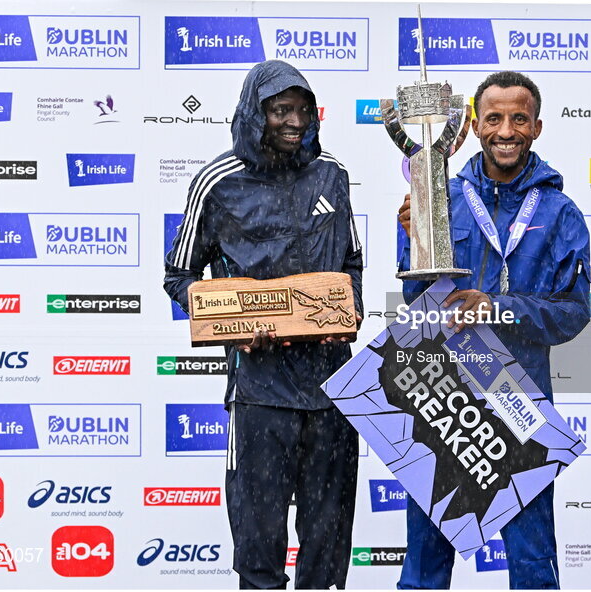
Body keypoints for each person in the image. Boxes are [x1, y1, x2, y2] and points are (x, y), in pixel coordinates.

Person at [163, 60, 363, 590]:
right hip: (259, 391)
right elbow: (179, 276)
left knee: (327, 541)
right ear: (256, 114)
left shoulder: (332, 174)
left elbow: (351, 264)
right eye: (280, 110)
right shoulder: (218, 182)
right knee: (258, 541)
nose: (295, 121)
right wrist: (231, 325)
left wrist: (350, 310)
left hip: (331, 391)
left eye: (301, 109)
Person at [396, 71, 591, 590]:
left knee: (531, 565)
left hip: (517, 401)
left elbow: (572, 315)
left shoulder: (559, 212)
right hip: (442, 399)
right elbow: (417, 298)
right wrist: (413, 240)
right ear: (474, 125)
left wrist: (498, 309)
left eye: (519, 119)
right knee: (422, 567)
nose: (507, 130)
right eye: (495, 118)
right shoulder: (441, 196)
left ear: (537, 127)